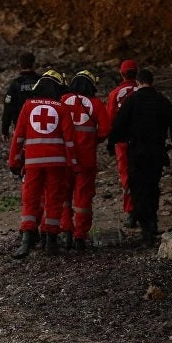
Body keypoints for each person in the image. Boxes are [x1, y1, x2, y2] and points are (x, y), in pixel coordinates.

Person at [106, 68, 172, 247]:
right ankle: (152, 222)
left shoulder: (131, 101)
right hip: (157, 152)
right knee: (152, 187)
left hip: (137, 153)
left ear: (138, 83)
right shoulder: (162, 101)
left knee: (138, 190)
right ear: (152, 82)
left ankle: (146, 231)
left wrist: (112, 145)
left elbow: (118, 125)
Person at [8, 69, 75, 258]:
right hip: (57, 164)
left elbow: (18, 137)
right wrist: (74, 164)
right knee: (54, 200)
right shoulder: (61, 108)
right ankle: (51, 243)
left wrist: (14, 160)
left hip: (33, 163)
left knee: (30, 200)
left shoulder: (28, 106)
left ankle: (26, 241)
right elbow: (70, 141)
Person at [59, 70, 111, 250]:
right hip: (86, 159)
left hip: (64, 158)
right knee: (83, 198)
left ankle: (66, 230)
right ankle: (80, 236)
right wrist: (93, 140)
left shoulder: (62, 100)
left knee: (63, 195)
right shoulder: (96, 103)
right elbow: (105, 129)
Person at [106, 59, 139, 228]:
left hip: (123, 142)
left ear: (121, 73)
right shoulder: (144, 90)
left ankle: (131, 211)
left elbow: (110, 120)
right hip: (143, 140)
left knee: (127, 176)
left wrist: (111, 141)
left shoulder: (115, 94)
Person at [1, 52, 41, 141]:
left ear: (20, 65)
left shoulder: (15, 84)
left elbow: (8, 107)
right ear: (34, 64)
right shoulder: (42, 81)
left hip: (20, 125)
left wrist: (5, 130)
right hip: (40, 125)